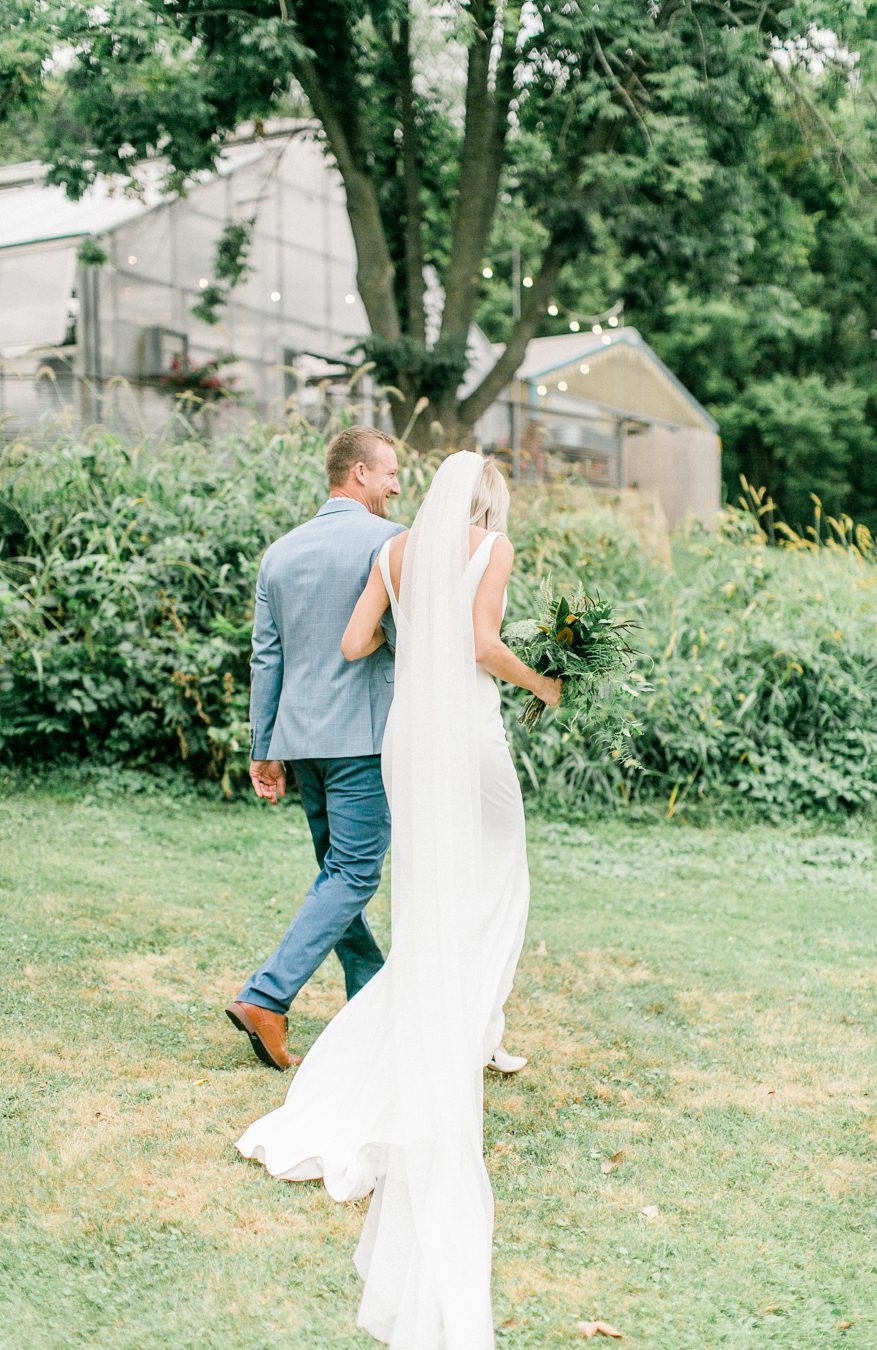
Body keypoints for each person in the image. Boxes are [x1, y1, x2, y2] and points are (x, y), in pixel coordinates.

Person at [235, 452, 562, 1348]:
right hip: (467, 730)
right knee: (499, 873)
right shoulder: (487, 546)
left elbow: (351, 645)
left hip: (405, 738)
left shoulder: (393, 553)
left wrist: (400, 638)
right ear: (486, 500)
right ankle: (470, 1023)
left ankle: (453, 1020)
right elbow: (482, 646)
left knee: (426, 886)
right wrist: (547, 681)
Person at [225, 425, 404, 1070]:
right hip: (363, 737)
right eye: (388, 472)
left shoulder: (280, 553)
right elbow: (404, 634)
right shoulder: (390, 543)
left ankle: (370, 994)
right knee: (353, 873)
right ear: (357, 473)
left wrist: (262, 746)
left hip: (301, 739)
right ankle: (267, 997)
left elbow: (265, 657)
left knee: (337, 873)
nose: (394, 485)